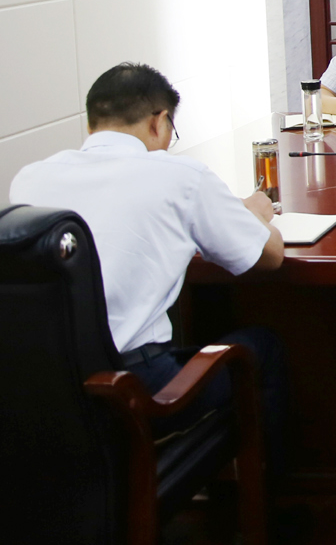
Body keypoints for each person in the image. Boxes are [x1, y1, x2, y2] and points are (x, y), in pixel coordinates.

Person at [9, 63, 289, 487]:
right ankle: (272, 498)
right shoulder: (181, 176)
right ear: (160, 121)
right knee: (261, 347)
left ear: (91, 123)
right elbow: (269, 256)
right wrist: (254, 214)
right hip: (135, 391)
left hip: (47, 392)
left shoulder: (30, 179)